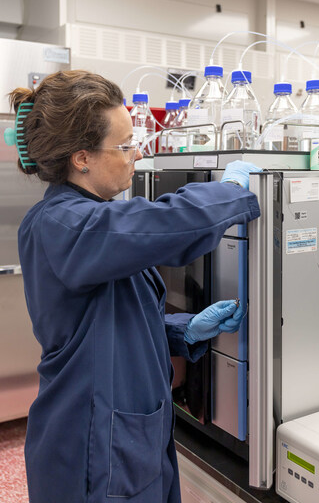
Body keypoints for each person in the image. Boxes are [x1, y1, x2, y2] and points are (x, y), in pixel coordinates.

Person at [6, 70, 261, 503]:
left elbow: (110, 326)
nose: (137, 154)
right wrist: (229, 191)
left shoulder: (90, 216)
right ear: (81, 158)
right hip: (92, 444)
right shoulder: (63, 223)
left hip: (125, 434)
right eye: (124, 146)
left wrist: (185, 329)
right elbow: (164, 224)